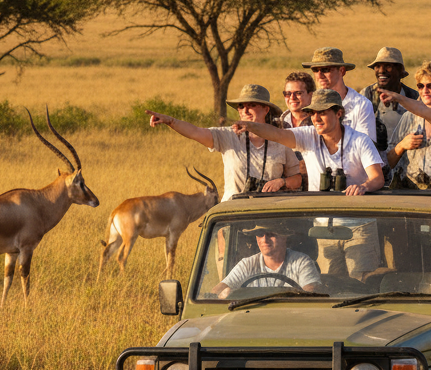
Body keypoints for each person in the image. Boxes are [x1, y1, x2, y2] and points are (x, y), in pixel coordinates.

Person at [236, 89, 384, 281]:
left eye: (322, 112)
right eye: (313, 113)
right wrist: (249, 126)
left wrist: (363, 186)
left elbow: (377, 178)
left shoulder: (360, 140)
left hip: (358, 225)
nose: (316, 118)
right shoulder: (308, 136)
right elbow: (277, 134)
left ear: (339, 113)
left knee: (361, 282)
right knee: (327, 283)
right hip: (322, 226)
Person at [147, 84, 300, 201]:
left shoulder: (280, 139)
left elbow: (297, 179)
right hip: (232, 213)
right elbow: (195, 132)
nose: (245, 111)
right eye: (241, 106)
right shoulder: (227, 135)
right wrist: (171, 121)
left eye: (252, 105)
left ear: (266, 109)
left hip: (267, 213)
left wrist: (281, 182)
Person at [387, 59, 431, 189]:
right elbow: (387, 162)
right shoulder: (409, 117)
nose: (425, 90)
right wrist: (401, 146)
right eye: (420, 86)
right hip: (411, 195)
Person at [215, 223, 324, 298]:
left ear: (284, 237)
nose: (264, 239)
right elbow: (216, 292)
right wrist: (225, 293)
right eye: (260, 234)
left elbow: (312, 295)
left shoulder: (301, 262)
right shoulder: (247, 264)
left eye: (270, 234)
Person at [360, 46, 419, 173]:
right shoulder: (366, 96)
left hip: (408, 168)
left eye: (388, 66)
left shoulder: (413, 97)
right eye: (378, 66)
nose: (381, 71)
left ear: (400, 71)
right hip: (377, 168)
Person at [301, 48, 376, 144]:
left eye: (325, 69)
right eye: (315, 70)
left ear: (342, 71)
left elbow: (367, 146)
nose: (319, 75)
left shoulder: (361, 105)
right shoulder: (308, 103)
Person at [280, 71, 315, 189]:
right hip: (286, 191)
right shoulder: (276, 125)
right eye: (287, 94)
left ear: (311, 95)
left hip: (316, 189)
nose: (292, 98)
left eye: (298, 93)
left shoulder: (322, 123)